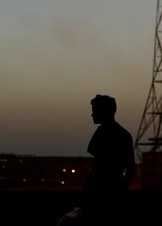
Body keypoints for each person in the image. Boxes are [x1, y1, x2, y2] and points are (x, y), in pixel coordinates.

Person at [57, 94, 135, 225]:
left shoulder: (118, 135)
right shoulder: (108, 132)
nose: (92, 115)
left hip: (107, 191)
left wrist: (120, 189)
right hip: (100, 189)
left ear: (104, 111)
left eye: (95, 111)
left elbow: (129, 166)